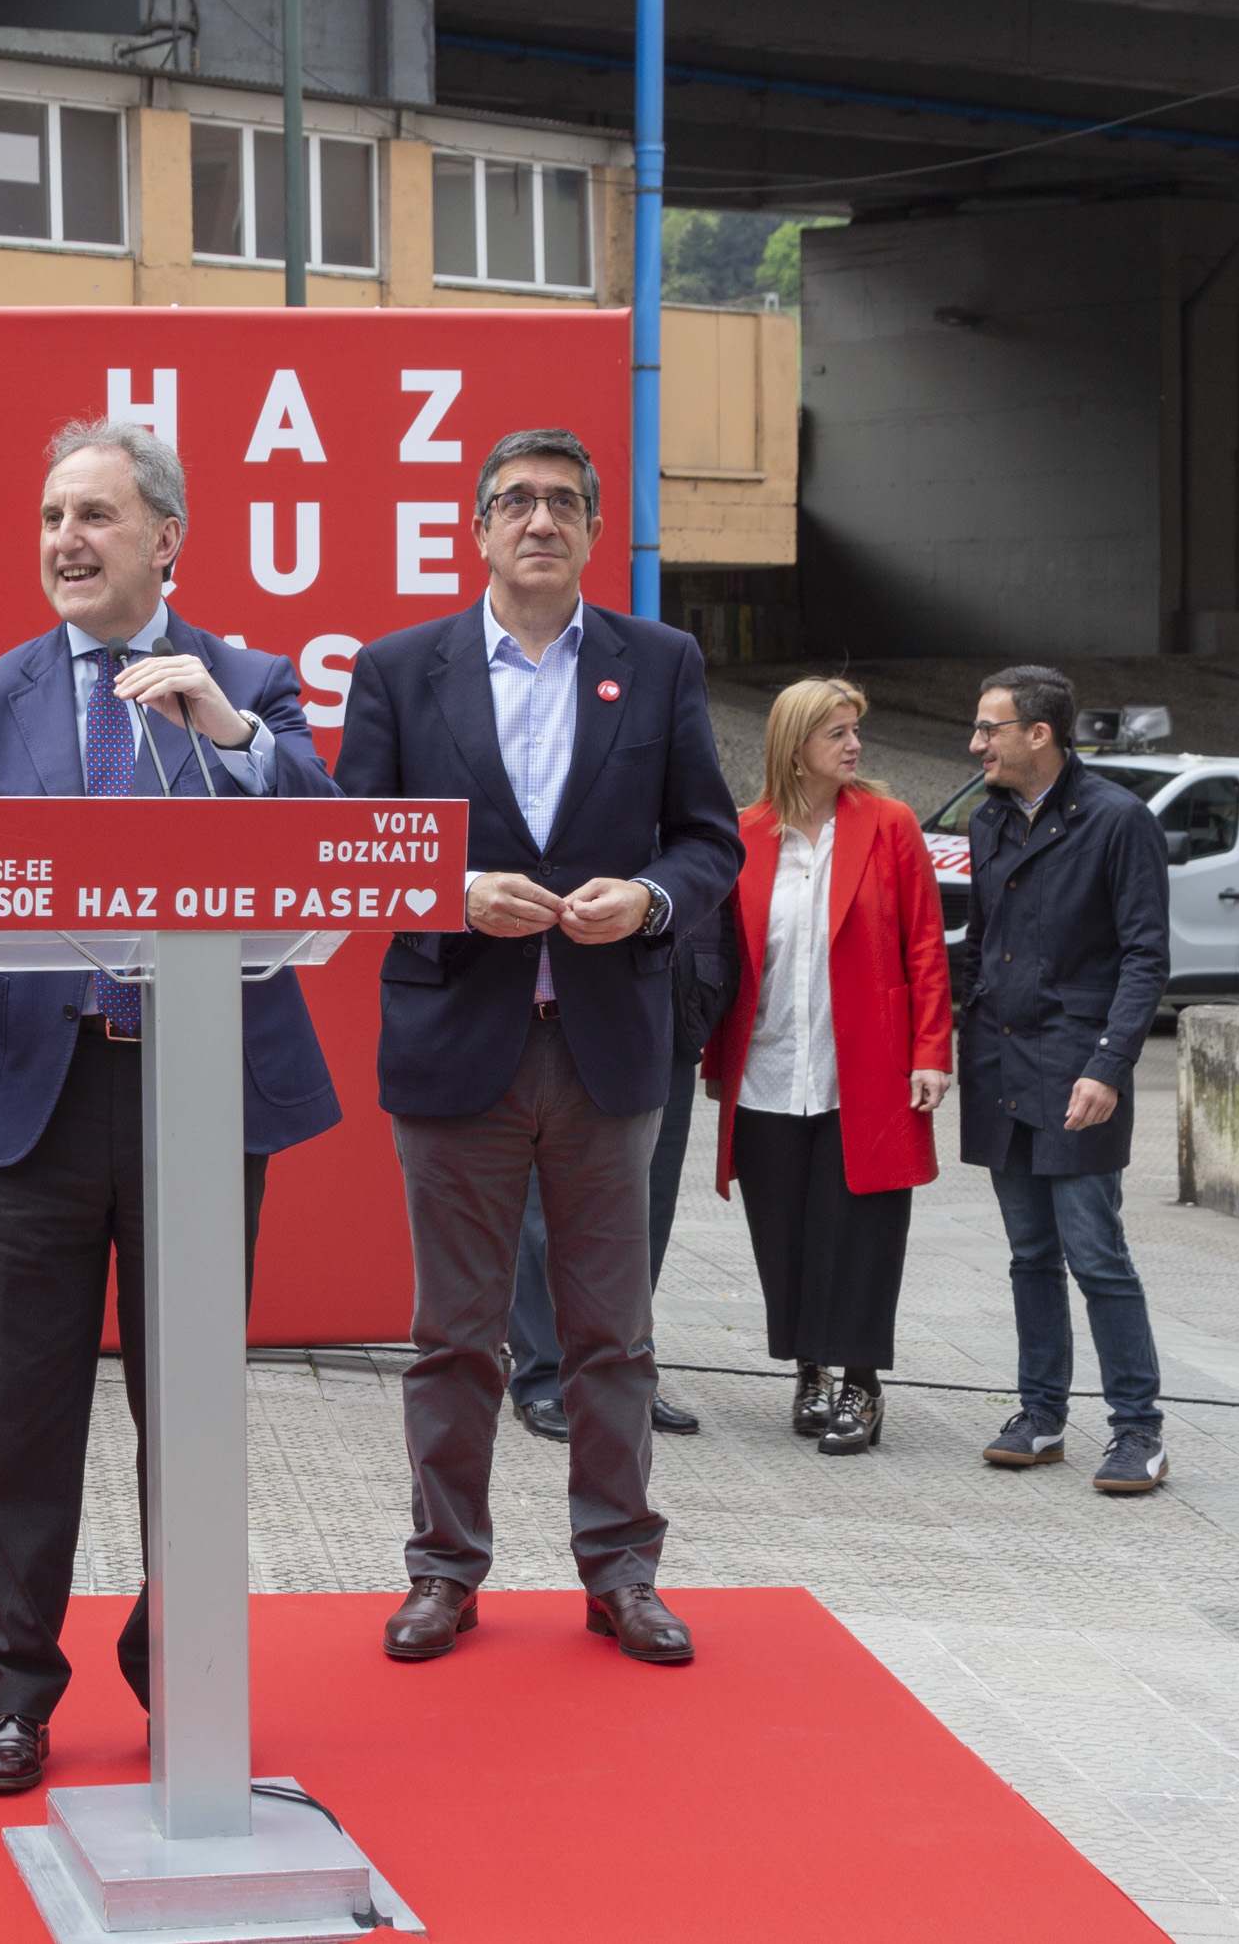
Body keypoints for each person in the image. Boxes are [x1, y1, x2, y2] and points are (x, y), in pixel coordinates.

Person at [0, 418, 340, 1795]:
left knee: (184, 1404)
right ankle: (13, 1689)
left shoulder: (248, 680)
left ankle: (177, 1670)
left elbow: (318, 838)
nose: (64, 542)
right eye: (48, 516)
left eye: (93, 515)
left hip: (198, 1089)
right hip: (37, 1087)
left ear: (164, 539)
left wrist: (230, 727)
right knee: (22, 1412)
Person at [332, 428, 742, 1669]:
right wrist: (451, 890)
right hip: (460, 1041)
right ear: (478, 528)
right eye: (515, 500)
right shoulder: (403, 668)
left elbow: (709, 841)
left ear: (590, 528)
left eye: (563, 501)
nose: (539, 520)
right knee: (454, 1333)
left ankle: (620, 1570)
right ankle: (444, 1571)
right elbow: (354, 838)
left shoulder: (657, 661)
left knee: (612, 1333)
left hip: (609, 1044)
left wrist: (653, 901)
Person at [701, 679, 952, 1455]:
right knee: (783, 1232)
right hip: (768, 1069)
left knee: (863, 1232)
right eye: (835, 733)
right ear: (794, 747)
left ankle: (862, 1385)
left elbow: (924, 946)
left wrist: (930, 1052)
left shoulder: (889, 824)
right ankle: (807, 1370)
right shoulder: (743, 833)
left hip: (865, 1070)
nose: (853, 745)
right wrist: (715, 1057)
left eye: (854, 731)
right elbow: (723, 959)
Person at [952, 665, 1174, 1494]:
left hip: (1077, 1065)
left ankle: (1137, 1430)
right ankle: (1040, 1412)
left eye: (989, 729)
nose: (976, 744)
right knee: (1028, 1253)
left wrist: (1109, 1066)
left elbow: (1147, 956)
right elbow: (983, 941)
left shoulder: (1117, 821)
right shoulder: (988, 820)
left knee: (1095, 1252)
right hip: (1000, 1061)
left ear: (1037, 734)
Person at [504, 895, 736, 1441]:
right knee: (541, 1211)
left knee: (646, 1206)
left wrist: (705, 994)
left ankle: (626, 1372)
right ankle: (542, 1376)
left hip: (666, 1014)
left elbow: (708, 879)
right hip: (560, 1013)